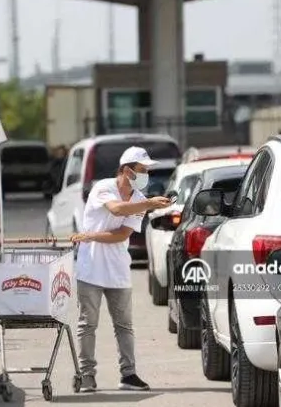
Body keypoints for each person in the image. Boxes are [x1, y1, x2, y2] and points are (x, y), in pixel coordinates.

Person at [70, 146, 172, 392]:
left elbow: (121, 235)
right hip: (91, 268)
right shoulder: (103, 188)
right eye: (142, 170)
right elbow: (116, 209)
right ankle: (86, 376)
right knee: (88, 324)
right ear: (127, 170)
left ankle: (128, 375)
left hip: (118, 270)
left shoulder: (138, 199)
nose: (146, 174)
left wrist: (90, 235)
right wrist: (148, 203)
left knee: (124, 326)